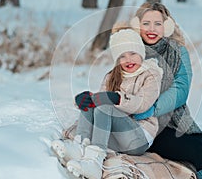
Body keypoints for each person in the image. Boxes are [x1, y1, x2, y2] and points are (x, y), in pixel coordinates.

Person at [129, 1, 202, 179]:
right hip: (143, 125)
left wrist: (153, 109)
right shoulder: (129, 51)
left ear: (166, 26)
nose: (152, 29)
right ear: (137, 25)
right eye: (146, 23)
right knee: (197, 150)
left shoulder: (178, 51)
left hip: (172, 120)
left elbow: (181, 88)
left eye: (158, 24)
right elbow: (117, 82)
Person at [51, 28, 163, 179]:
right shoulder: (111, 76)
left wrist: (116, 98)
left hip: (139, 136)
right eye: (122, 56)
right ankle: (80, 146)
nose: (128, 59)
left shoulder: (151, 75)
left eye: (132, 53)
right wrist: (82, 100)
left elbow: (143, 103)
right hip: (116, 136)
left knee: (104, 107)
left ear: (141, 53)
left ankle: (95, 163)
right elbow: (99, 102)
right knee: (91, 103)